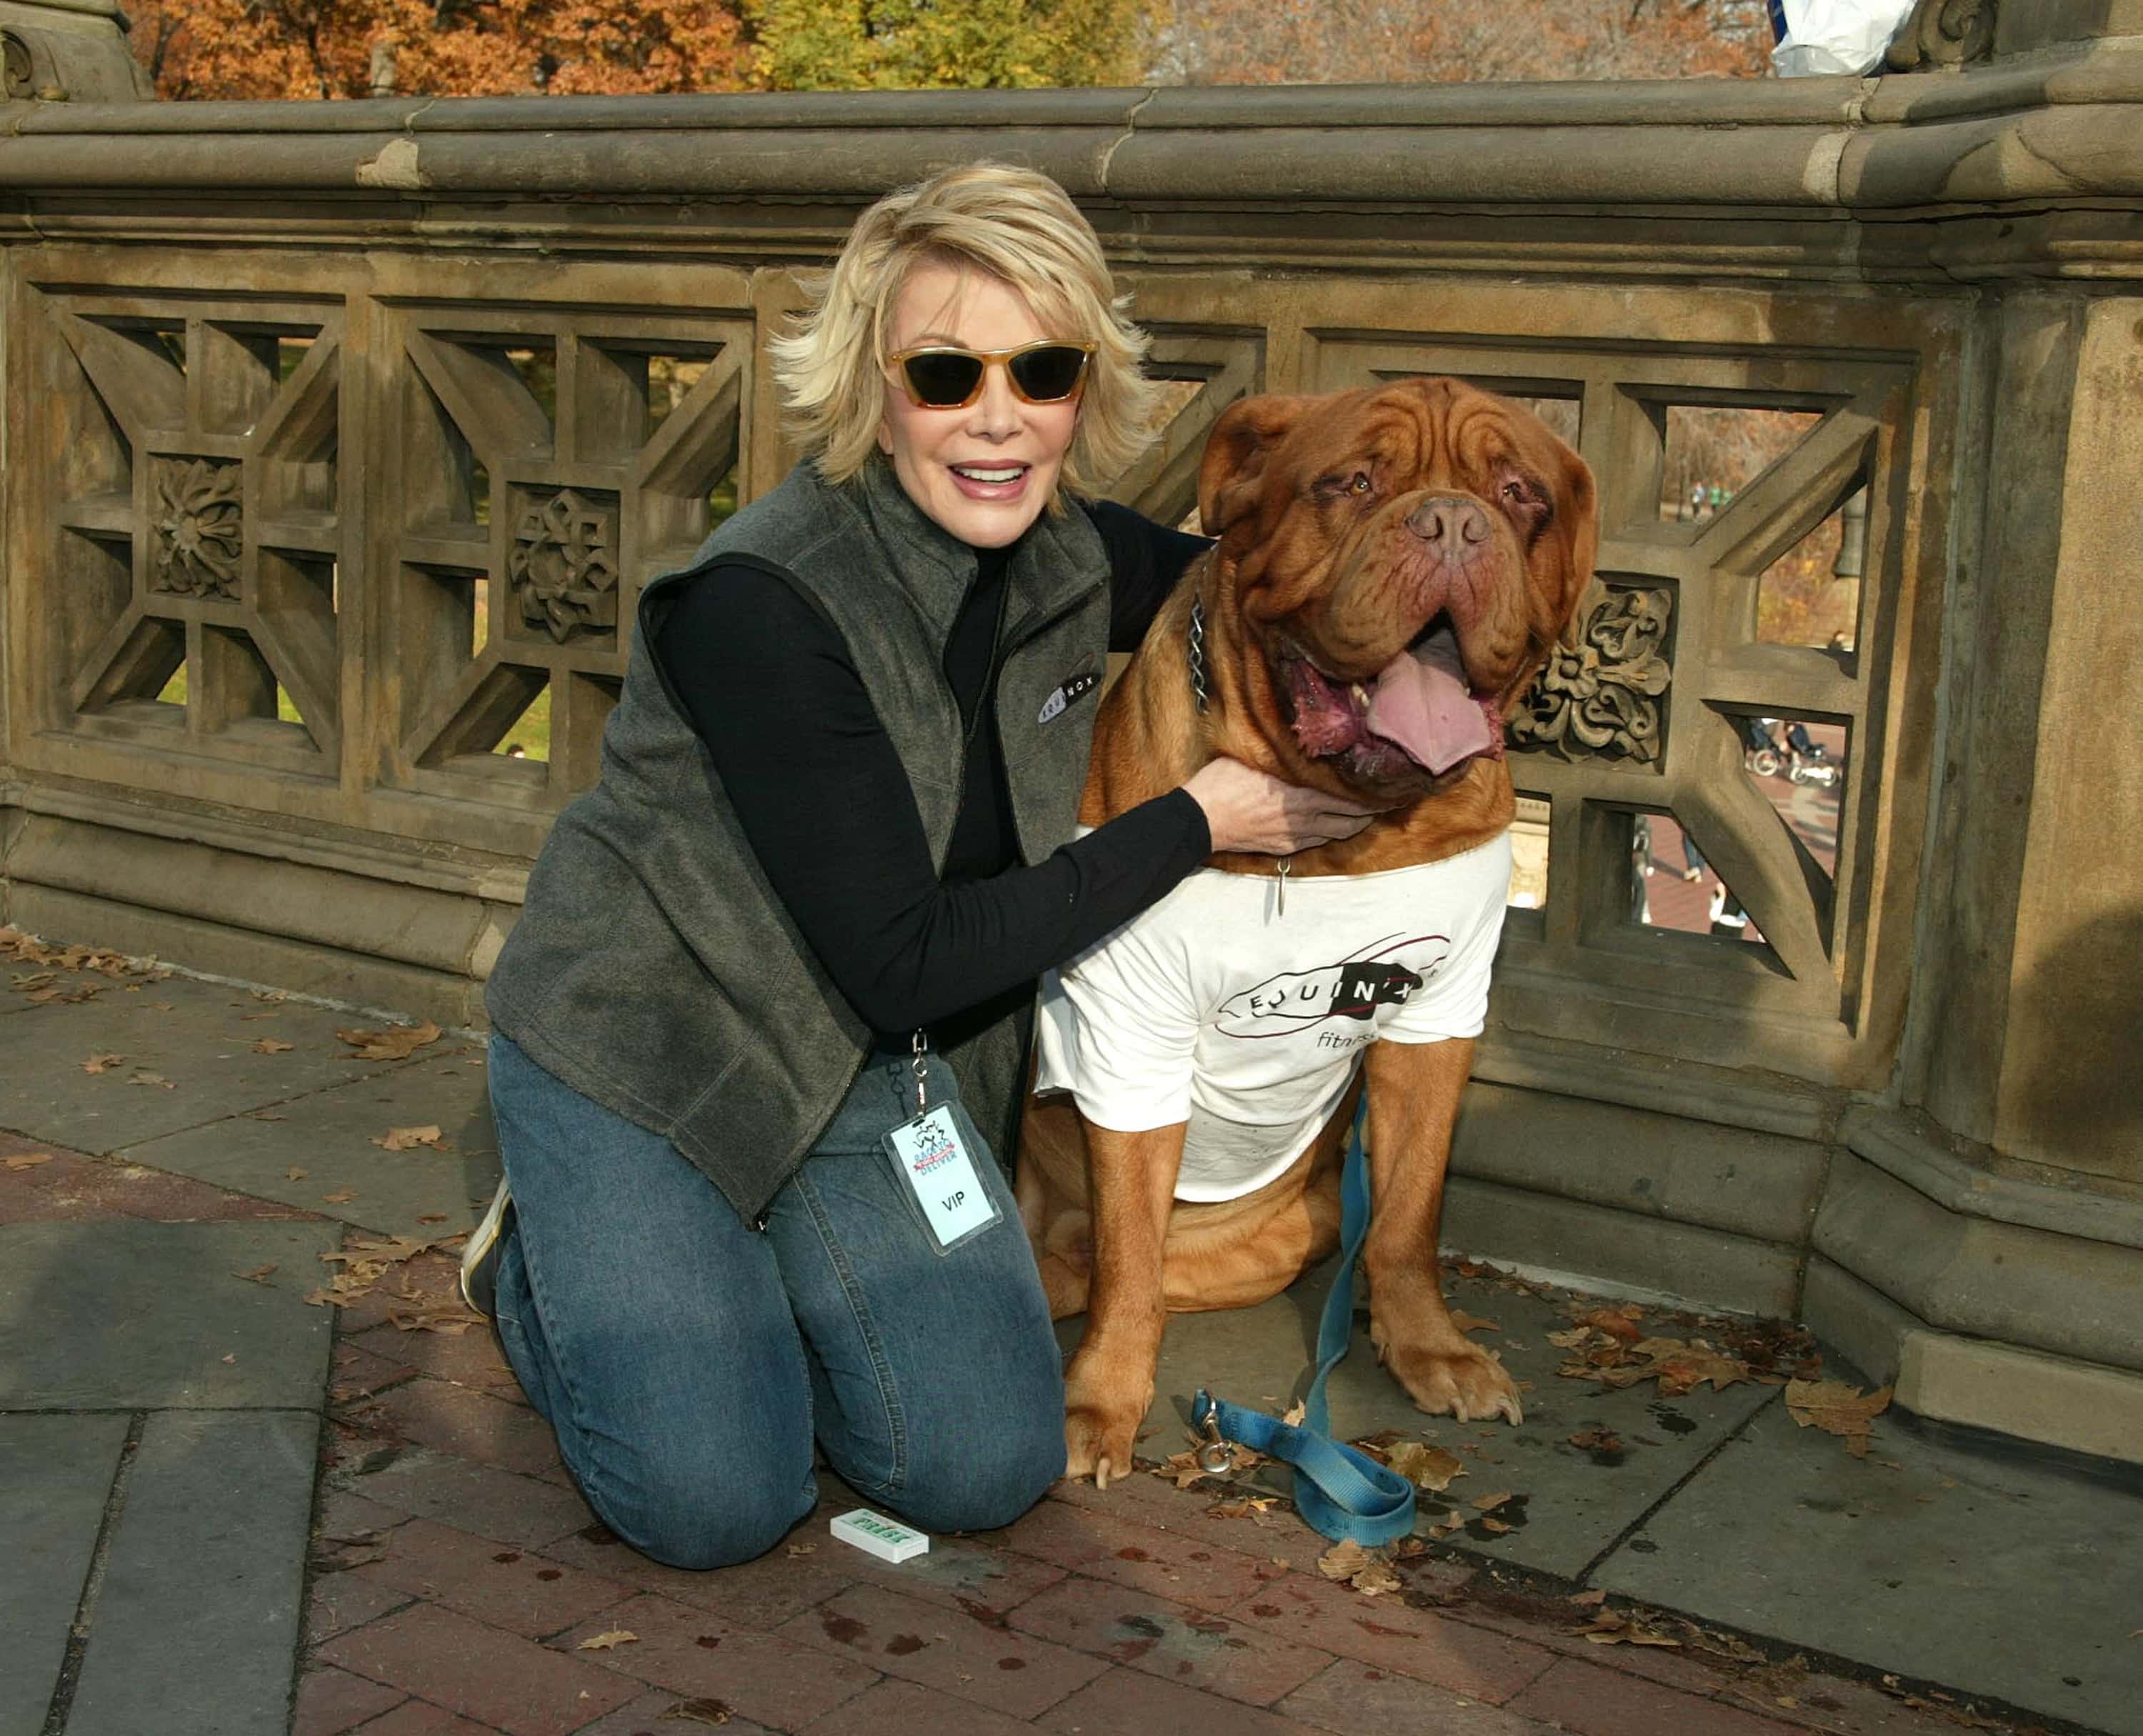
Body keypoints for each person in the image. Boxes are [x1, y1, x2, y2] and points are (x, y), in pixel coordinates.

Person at [459, 162, 1384, 1571]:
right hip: (654, 1051)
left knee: (982, 1465)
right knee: (721, 1501)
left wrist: (1421, 596)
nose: (999, 418)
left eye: (1043, 369)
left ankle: (744, 1275)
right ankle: (544, 1256)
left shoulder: (1073, 551)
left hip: (867, 1069)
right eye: (946, 372)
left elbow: (1257, 584)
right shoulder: (763, 603)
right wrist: (1198, 819)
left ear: (1089, 382)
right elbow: (907, 951)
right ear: (875, 385)